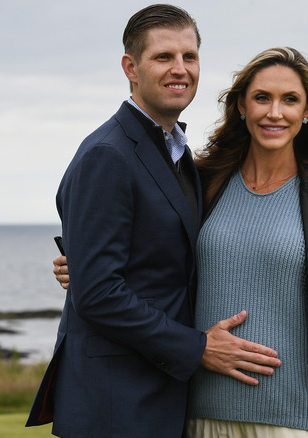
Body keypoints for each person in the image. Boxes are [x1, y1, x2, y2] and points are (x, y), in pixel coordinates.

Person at [52, 47, 308, 438]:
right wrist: (82, 268)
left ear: (307, 111)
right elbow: (152, 255)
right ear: (241, 106)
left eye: (290, 99)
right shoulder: (201, 181)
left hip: (298, 420)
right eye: (261, 98)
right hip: (196, 414)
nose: (275, 112)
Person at [27, 5, 281, 437]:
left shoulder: (177, 154)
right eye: (163, 57)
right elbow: (99, 294)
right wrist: (198, 348)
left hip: (159, 396)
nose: (179, 69)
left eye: (190, 56)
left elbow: (161, 259)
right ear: (131, 67)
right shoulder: (108, 155)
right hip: (114, 404)